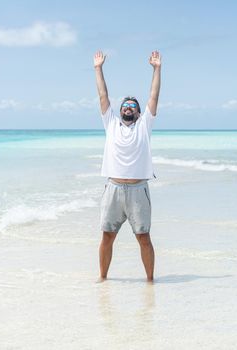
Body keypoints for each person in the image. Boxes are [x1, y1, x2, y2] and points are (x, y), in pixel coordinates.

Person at [94, 50, 161, 282]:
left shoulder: (144, 126)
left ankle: (150, 281)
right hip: (113, 189)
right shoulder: (111, 124)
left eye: (132, 105)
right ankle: (103, 279)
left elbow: (153, 97)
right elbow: (103, 96)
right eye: (125, 105)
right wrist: (98, 69)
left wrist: (156, 69)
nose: (128, 108)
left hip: (138, 191)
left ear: (139, 112)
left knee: (144, 237)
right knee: (107, 236)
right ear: (120, 111)